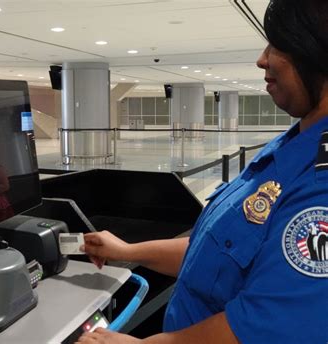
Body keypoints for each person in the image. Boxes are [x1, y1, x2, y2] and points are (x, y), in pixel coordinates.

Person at [77, 0, 328, 343]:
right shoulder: (289, 147)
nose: (262, 59)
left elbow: (264, 327)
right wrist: (126, 251)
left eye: (279, 44)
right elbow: (211, 253)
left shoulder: (319, 187)